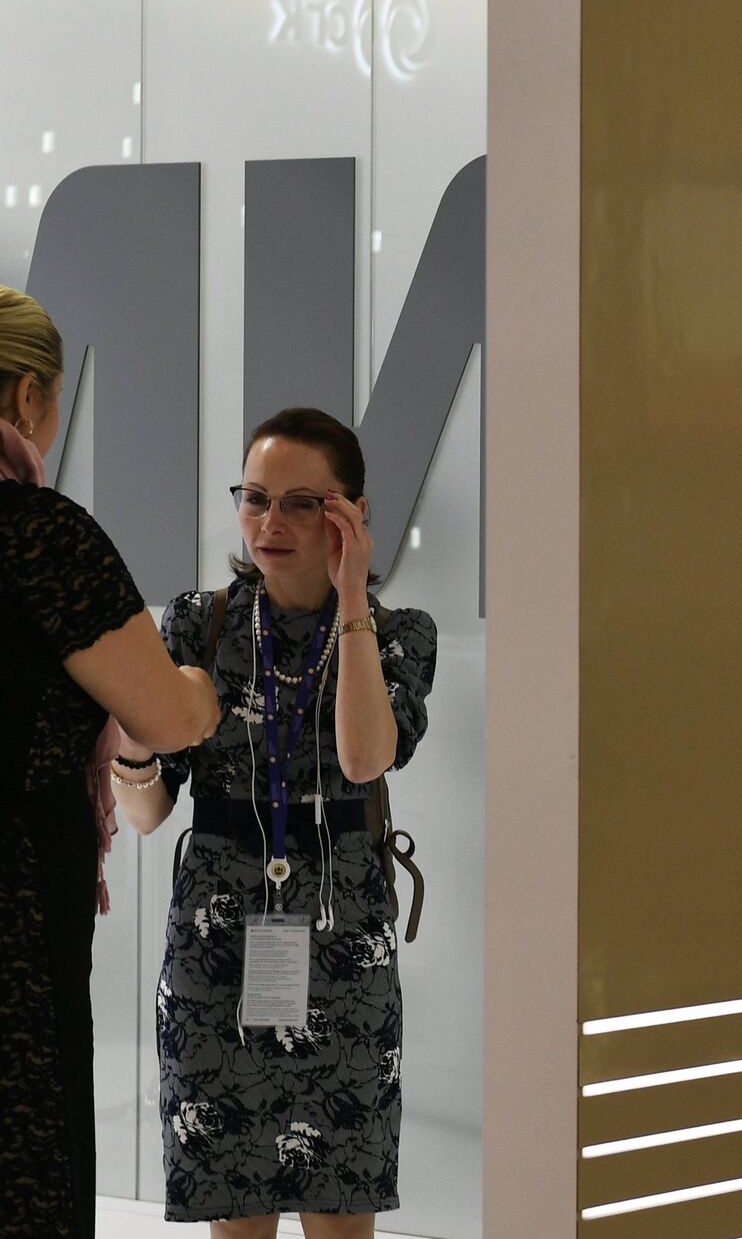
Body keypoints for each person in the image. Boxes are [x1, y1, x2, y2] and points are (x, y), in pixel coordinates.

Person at [114, 407, 436, 1238]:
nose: (270, 522)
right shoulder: (201, 623)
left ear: (351, 513)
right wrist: (132, 738)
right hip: (217, 950)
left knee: (341, 1218)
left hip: (343, 947)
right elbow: (148, 812)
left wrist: (353, 595)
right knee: (237, 1218)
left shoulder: (398, 635)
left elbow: (364, 758)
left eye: (301, 503)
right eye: (255, 497)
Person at [0, 285, 223, 1238]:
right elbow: (167, 715)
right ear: (29, 398)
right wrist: (199, 684)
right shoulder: (42, 536)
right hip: (16, 910)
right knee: (26, 1158)